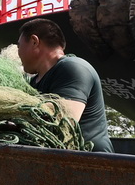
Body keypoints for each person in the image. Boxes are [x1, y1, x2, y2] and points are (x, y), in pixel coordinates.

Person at [16, 17, 113, 152]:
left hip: (92, 159)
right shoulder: (34, 82)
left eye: (19, 46)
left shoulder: (74, 67)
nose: (18, 52)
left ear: (34, 42)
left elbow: (64, 121)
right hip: (59, 158)